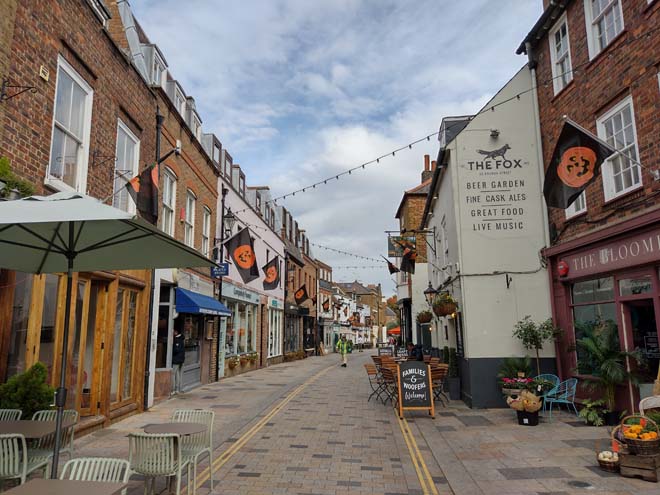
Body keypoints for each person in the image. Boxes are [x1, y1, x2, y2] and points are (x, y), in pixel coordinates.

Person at [172, 326, 185, 394]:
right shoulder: (182, 339)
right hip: (181, 359)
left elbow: (176, 350)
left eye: (173, 331)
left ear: (176, 332)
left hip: (176, 359)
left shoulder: (177, 340)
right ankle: (179, 388)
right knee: (178, 374)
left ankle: (174, 390)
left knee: (173, 374)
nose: (172, 332)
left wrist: (172, 351)